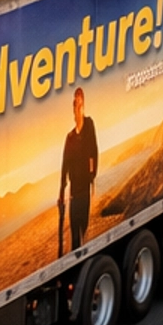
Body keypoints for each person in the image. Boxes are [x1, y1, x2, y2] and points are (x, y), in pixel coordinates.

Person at [58, 86, 98, 253]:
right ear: (73, 110)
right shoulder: (70, 137)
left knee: (84, 229)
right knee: (75, 237)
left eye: (81, 104)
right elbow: (64, 166)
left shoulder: (89, 125)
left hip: (85, 190)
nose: (79, 109)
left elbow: (93, 152)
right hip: (74, 193)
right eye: (76, 105)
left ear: (84, 107)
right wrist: (62, 192)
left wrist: (92, 176)